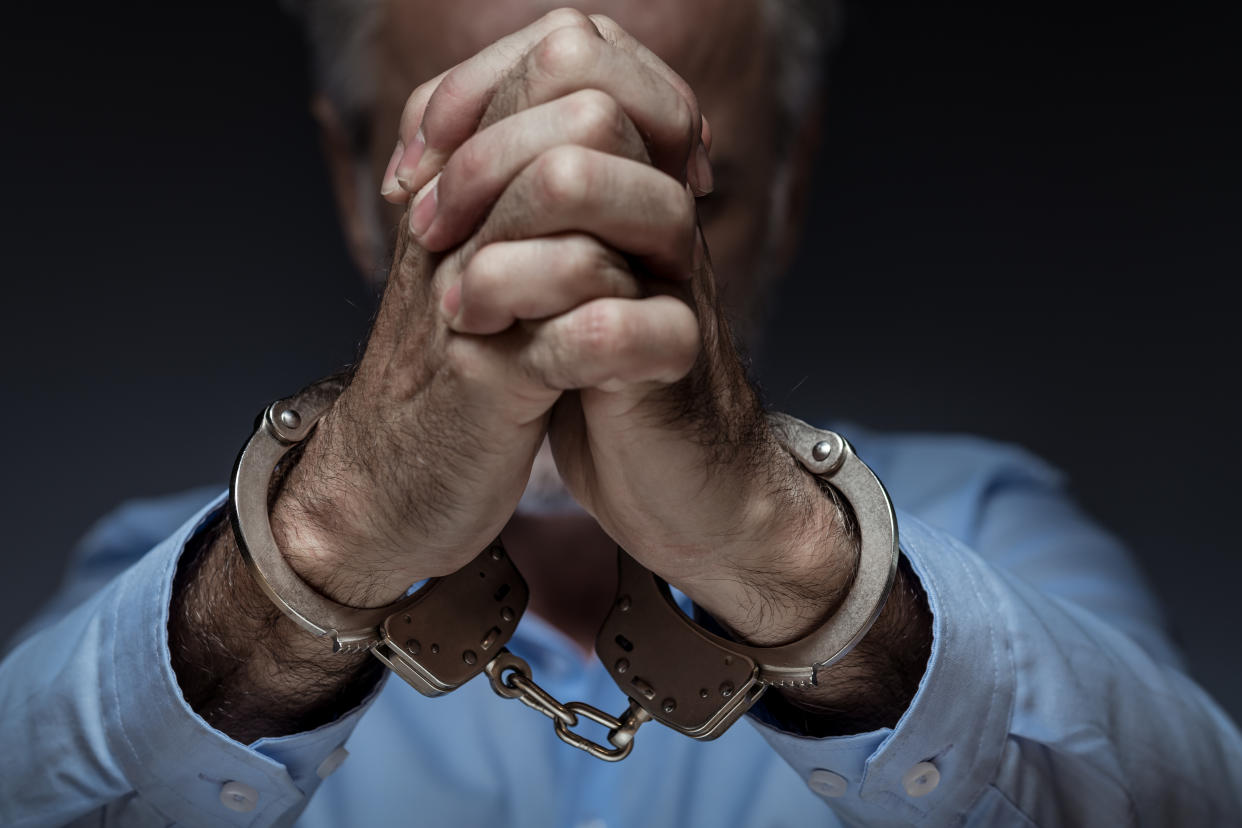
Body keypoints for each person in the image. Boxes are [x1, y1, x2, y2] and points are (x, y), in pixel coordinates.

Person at [1, 2, 1240, 826]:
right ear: (352, 175)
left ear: (794, 187)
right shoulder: (165, 582)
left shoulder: (985, 527)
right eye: (479, 196)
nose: (575, 291)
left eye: (669, 196)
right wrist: (322, 541)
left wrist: (787, 543)